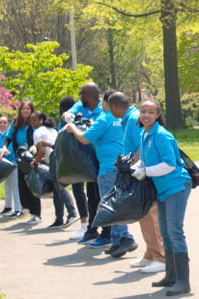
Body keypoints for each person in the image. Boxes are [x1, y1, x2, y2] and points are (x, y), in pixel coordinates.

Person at [130, 98, 192, 296]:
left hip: (176, 186)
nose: (146, 115)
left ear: (158, 115)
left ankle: (183, 281)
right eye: (143, 111)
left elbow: (169, 164)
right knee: (165, 232)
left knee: (174, 231)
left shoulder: (162, 136)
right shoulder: (144, 133)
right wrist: (132, 168)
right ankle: (171, 276)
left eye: (151, 112)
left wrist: (145, 171)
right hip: (163, 189)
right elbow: (144, 162)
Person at [65, 89, 137, 256]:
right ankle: (118, 239)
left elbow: (84, 138)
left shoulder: (104, 118)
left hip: (108, 168)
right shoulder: (120, 118)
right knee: (117, 203)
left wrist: (72, 129)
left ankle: (125, 237)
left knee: (112, 205)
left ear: (106, 103)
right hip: (121, 166)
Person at [108, 92, 166, 272]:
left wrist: (132, 167)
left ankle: (160, 257)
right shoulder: (130, 119)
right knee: (143, 215)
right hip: (137, 172)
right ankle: (150, 253)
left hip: (144, 173)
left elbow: (144, 146)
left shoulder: (134, 119)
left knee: (150, 214)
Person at [61, 85, 106, 242]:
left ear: (90, 95)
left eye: (82, 94)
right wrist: (68, 117)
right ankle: (92, 230)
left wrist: (76, 128)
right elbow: (68, 113)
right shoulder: (81, 106)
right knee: (92, 196)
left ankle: (106, 232)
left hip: (100, 159)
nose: (80, 97)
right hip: (88, 160)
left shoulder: (102, 110)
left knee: (101, 196)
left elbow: (89, 135)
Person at [30, 111, 78, 229]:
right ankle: (59, 218)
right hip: (62, 156)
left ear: (41, 120)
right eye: (31, 120)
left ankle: (72, 213)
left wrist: (35, 163)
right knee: (57, 189)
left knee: (59, 186)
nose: (32, 122)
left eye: (34, 120)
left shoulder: (37, 132)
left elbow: (41, 151)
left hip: (53, 158)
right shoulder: (52, 130)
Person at [5, 101, 42, 222]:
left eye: (28, 109)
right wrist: (5, 147)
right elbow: (8, 137)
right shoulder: (15, 123)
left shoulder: (34, 123)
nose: (25, 110)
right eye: (23, 109)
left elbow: (40, 137)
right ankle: (27, 208)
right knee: (22, 185)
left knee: (32, 185)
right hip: (20, 158)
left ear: (31, 111)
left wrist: (35, 148)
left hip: (31, 158)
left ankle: (37, 213)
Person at [0, 116, 21, 217]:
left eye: (4, 123)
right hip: (3, 165)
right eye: (1, 122)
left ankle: (18, 209)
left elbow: (7, 152)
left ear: (8, 124)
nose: (2, 125)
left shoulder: (9, 136)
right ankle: (7, 207)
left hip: (13, 163)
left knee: (15, 187)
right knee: (7, 186)